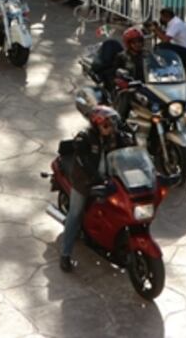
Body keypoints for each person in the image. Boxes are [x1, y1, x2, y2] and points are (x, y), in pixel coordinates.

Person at [59, 105, 134, 272]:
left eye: (113, 125)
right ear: (96, 125)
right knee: (75, 214)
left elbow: (130, 148)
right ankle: (65, 254)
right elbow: (83, 161)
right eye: (106, 125)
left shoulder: (115, 137)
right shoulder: (85, 138)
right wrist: (96, 178)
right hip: (85, 181)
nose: (110, 129)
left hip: (110, 179)